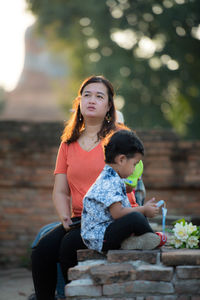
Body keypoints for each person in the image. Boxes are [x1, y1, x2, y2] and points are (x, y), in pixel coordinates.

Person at [31, 75, 140, 300]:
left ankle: (72, 296)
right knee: (42, 250)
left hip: (112, 217)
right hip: (80, 219)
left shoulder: (120, 137)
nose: (92, 100)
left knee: (67, 247)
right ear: (79, 102)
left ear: (109, 105)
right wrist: (64, 217)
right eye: (87, 95)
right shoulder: (68, 143)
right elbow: (60, 190)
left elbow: (132, 180)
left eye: (99, 96)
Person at [81, 129, 166, 253]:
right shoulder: (109, 181)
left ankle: (136, 241)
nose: (134, 169)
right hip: (101, 237)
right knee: (136, 218)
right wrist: (144, 210)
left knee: (136, 216)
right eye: (134, 164)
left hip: (106, 232)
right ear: (121, 160)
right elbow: (117, 213)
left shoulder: (112, 177)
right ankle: (152, 238)